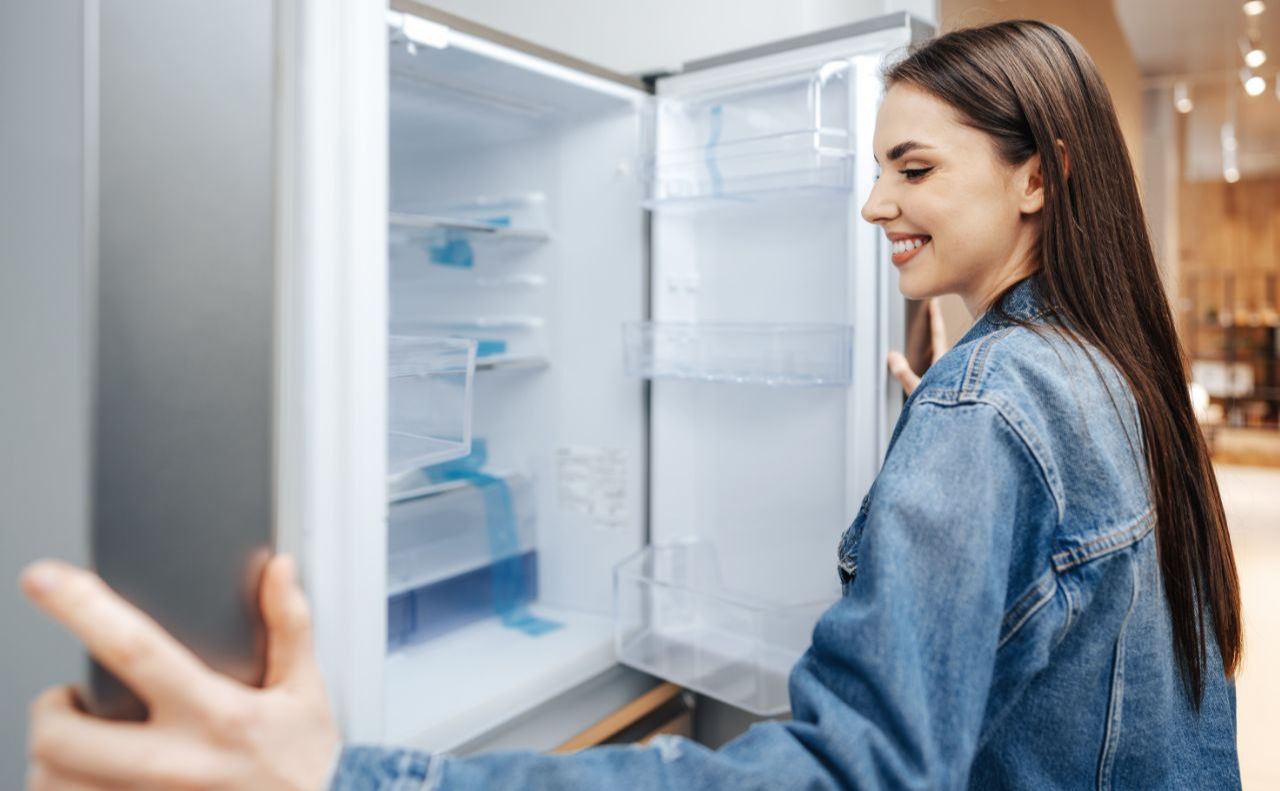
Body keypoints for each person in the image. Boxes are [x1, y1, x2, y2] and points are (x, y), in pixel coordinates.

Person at [21, 19, 1242, 790]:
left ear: (1038, 177)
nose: (873, 203)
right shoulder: (1097, 370)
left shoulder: (991, 410)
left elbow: (844, 772)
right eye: (875, 165)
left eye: (911, 168)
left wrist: (355, 774)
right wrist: (959, 440)